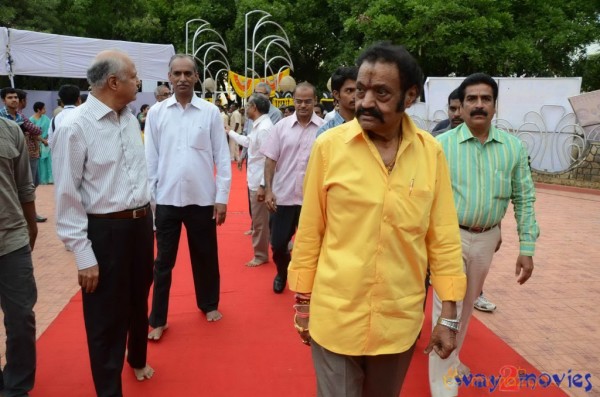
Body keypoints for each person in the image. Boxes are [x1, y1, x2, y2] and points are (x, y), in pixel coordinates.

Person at [287, 42, 467, 397]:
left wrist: (448, 316)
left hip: (398, 321)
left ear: (410, 96)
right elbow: (310, 231)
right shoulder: (329, 148)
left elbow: (443, 238)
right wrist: (303, 304)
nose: (365, 102)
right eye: (361, 89)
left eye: (381, 92)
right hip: (336, 316)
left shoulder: (431, 153)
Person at [429, 73, 539, 397]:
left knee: (465, 309)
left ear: (494, 105)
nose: (479, 105)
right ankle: (443, 388)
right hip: (448, 238)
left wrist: (527, 246)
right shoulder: (440, 147)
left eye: (485, 99)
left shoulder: (513, 148)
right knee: (445, 309)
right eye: (472, 99)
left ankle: (451, 359)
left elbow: (524, 196)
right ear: (459, 108)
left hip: (488, 239)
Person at [52, 50, 155, 397]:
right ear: (114, 82)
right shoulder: (74, 126)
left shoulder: (129, 118)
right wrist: (83, 254)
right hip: (105, 232)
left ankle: (137, 358)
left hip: (141, 226)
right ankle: (109, 390)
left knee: (139, 298)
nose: (138, 82)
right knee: (105, 318)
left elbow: (137, 174)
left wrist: (149, 218)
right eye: (133, 75)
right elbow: (67, 196)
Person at [145, 54, 231, 340]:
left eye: (188, 73)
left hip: (202, 199)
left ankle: (209, 304)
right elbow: (151, 159)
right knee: (163, 263)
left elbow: (222, 155)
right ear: (169, 77)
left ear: (196, 77)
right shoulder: (157, 113)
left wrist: (222, 198)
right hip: (167, 199)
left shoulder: (209, 113)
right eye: (177, 73)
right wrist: (152, 200)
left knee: (205, 256)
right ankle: (158, 319)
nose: (182, 78)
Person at [260, 82, 324, 293]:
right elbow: (270, 160)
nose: (303, 105)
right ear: (293, 101)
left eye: (308, 101)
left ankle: (310, 284)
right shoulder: (281, 127)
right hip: (284, 197)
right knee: (278, 244)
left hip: (311, 200)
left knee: (314, 247)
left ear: (315, 101)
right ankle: (282, 272)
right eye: (299, 101)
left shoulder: (324, 129)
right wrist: (268, 189)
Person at [0, 117, 38, 397]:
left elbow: (25, 184)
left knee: (21, 316)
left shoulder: (10, 130)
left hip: (10, 237)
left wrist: (31, 225)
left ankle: (17, 385)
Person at [228, 94, 274, 267]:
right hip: (255, 179)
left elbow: (268, 159)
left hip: (259, 182)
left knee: (260, 221)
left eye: (248, 105)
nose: (246, 108)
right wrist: (230, 132)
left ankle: (261, 254)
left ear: (254, 107)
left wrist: (263, 185)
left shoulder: (264, 129)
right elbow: (248, 142)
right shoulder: (259, 126)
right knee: (261, 219)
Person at [0, 88, 46, 222]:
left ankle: (26, 213)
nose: (14, 100)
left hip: (25, 153)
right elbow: (34, 130)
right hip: (9, 156)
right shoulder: (2, 117)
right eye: (10, 97)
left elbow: (37, 130)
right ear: (4, 100)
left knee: (29, 184)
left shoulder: (20, 117)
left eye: (15, 97)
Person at [316, 66, 357, 136]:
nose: (355, 95)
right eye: (349, 90)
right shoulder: (325, 132)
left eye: (359, 90)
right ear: (336, 94)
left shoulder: (371, 128)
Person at [48, 84, 81, 149]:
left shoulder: (54, 120)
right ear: (79, 99)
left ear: (62, 101)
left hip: (59, 158)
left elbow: (50, 142)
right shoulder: (84, 117)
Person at [29, 102, 53, 185]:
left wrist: (47, 139)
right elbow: (33, 133)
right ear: (38, 110)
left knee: (49, 162)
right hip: (37, 144)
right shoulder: (31, 120)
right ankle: (42, 180)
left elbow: (50, 129)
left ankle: (50, 179)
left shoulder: (46, 118)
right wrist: (43, 140)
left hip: (47, 143)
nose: (45, 110)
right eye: (44, 108)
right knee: (41, 163)